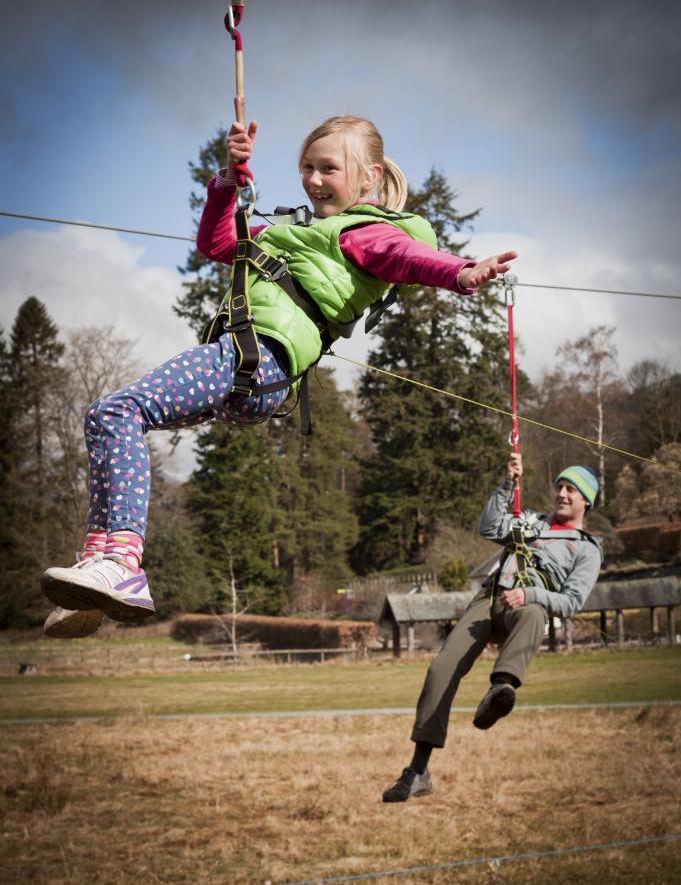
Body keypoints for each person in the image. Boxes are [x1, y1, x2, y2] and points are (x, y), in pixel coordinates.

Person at [41, 114, 517, 637]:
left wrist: (462, 271)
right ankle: (98, 568)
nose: (313, 180)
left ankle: (123, 564)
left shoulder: (365, 235)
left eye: (328, 168)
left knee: (116, 411)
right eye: (306, 168)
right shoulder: (291, 230)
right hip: (249, 371)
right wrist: (227, 180)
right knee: (106, 419)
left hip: (256, 358)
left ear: (368, 177)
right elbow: (218, 244)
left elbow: (411, 258)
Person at [382, 452, 602, 803]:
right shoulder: (528, 520)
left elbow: (573, 601)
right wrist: (507, 485)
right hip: (488, 600)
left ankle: (501, 690)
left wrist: (530, 593)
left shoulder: (587, 550)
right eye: (560, 486)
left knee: (533, 614)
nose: (562, 493)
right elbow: (488, 527)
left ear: (586, 500)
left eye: (571, 489)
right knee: (440, 670)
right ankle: (418, 770)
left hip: (526, 607)